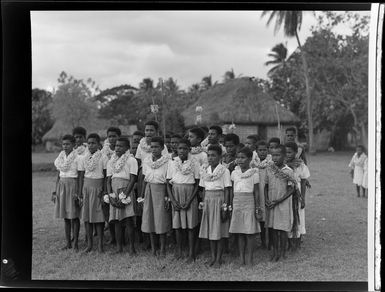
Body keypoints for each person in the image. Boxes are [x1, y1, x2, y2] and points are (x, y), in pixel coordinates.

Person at [166, 139, 200, 262]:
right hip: (176, 193)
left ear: (189, 150)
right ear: (176, 150)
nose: (182, 151)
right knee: (178, 225)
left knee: (191, 225)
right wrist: (173, 201)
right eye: (180, 148)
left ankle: (191, 253)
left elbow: (197, 183)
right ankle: (179, 251)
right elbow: (168, 182)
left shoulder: (194, 163)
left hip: (190, 194)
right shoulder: (172, 163)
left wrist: (190, 200)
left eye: (185, 148)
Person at [198, 145, 231, 268]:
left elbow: (227, 189)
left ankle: (219, 258)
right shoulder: (204, 171)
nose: (210, 158)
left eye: (213, 155)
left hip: (219, 200)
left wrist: (225, 207)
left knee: (219, 230)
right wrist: (203, 204)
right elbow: (204, 190)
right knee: (211, 230)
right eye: (209, 155)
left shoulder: (225, 171)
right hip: (208, 201)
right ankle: (212, 256)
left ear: (220, 157)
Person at [229, 147, 261, 266]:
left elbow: (256, 192)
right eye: (238, 157)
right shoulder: (234, 173)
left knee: (249, 232)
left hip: (249, 203)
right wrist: (231, 205)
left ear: (249, 159)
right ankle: (242, 258)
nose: (240, 160)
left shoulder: (254, 173)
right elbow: (232, 190)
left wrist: (257, 208)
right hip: (237, 202)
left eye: (243, 157)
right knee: (240, 232)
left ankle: (250, 258)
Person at [106, 137, 138, 254]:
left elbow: (133, 178)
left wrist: (124, 195)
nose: (117, 148)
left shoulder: (131, 160)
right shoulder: (111, 161)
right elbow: (108, 180)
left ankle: (132, 248)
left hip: (126, 189)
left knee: (128, 220)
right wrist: (111, 196)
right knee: (116, 220)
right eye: (116, 146)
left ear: (127, 148)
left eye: (120, 146)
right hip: (114, 190)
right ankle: (119, 247)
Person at [141, 136, 172, 256]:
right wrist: (142, 196)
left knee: (161, 219)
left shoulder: (168, 162)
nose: (154, 149)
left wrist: (166, 197)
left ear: (162, 147)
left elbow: (168, 181)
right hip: (149, 190)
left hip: (161, 190)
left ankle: (163, 248)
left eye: (156, 147)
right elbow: (145, 179)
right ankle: (154, 249)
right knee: (150, 219)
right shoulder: (147, 161)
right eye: (152, 147)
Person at [264, 145, 296, 262]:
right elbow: (266, 186)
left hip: (282, 204)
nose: (275, 158)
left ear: (284, 156)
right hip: (271, 203)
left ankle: (282, 252)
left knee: (282, 229)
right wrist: (266, 199)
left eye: (278, 155)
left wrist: (279, 200)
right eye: (273, 155)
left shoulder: (288, 171)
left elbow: (291, 189)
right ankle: (275, 251)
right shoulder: (269, 169)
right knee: (273, 229)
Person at [78, 133, 108, 253]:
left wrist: (104, 191)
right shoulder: (83, 157)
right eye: (89, 143)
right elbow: (81, 176)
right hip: (87, 188)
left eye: (93, 143)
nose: (91, 145)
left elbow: (106, 176)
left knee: (98, 217)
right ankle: (90, 245)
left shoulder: (103, 157)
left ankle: (100, 244)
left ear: (98, 144)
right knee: (87, 218)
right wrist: (80, 192)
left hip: (98, 188)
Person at [53, 134, 82, 251]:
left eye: (68, 144)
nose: (65, 146)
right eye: (63, 144)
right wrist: (55, 191)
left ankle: (76, 243)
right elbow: (58, 176)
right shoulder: (60, 158)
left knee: (74, 216)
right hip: (62, 186)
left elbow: (80, 177)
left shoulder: (78, 158)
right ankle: (68, 242)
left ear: (74, 145)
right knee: (65, 216)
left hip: (72, 186)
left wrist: (79, 193)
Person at [285, 142, 310, 250]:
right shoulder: (283, 165)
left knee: (299, 216)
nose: (287, 154)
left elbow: (303, 182)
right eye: (285, 152)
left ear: (296, 153)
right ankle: (290, 243)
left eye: (290, 152)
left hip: (297, 192)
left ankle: (298, 242)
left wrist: (303, 198)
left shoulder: (300, 165)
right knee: (288, 216)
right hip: (286, 193)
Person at [101, 127, 121, 244]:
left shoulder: (122, 151)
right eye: (110, 136)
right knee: (107, 210)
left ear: (119, 137)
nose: (112, 138)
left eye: (114, 136)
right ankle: (112, 236)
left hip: (119, 183)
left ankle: (121, 237)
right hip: (106, 182)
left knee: (119, 209)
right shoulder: (104, 152)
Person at [253, 140, 272, 249]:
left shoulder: (271, 163)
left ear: (268, 150)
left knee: (268, 217)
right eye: (260, 150)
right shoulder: (253, 163)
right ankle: (262, 241)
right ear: (256, 151)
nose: (262, 152)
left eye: (265, 150)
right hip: (257, 192)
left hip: (267, 191)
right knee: (260, 216)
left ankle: (269, 241)